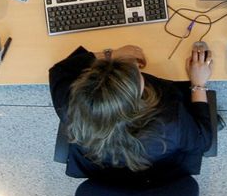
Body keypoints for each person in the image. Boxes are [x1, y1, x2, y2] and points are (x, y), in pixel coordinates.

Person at [49, 44, 214, 184]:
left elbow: (60, 70)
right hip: (158, 172)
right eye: (136, 76)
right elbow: (204, 140)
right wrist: (198, 84)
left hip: (103, 173)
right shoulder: (170, 121)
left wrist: (110, 55)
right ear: (135, 102)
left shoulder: (70, 104)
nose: (134, 67)